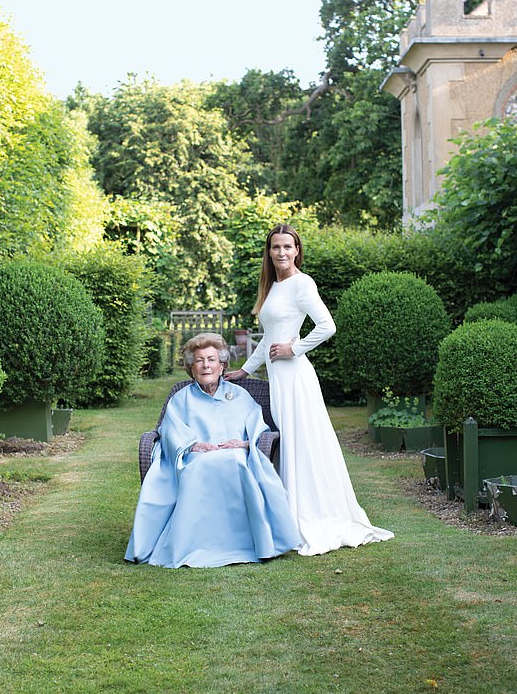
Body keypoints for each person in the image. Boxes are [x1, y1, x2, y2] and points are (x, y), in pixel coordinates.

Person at [226, 224, 394, 555]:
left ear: (297, 250)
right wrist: (246, 369)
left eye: (288, 247)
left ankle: (308, 517)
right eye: (276, 247)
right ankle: (287, 513)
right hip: (279, 380)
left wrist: (295, 349)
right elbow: (269, 338)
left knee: (302, 444)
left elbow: (327, 326)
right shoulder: (273, 286)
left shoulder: (302, 283)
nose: (282, 252)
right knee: (290, 443)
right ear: (269, 252)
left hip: (296, 378)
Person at [125, 333, 301, 568]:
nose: (206, 365)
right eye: (199, 360)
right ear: (191, 367)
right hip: (194, 457)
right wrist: (192, 445)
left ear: (222, 365)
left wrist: (246, 444)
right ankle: (190, 545)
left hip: (236, 454)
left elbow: (260, 426)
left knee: (238, 463)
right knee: (199, 466)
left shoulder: (240, 395)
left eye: (211, 359)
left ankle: (248, 543)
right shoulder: (181, 397)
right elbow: (170, 429)